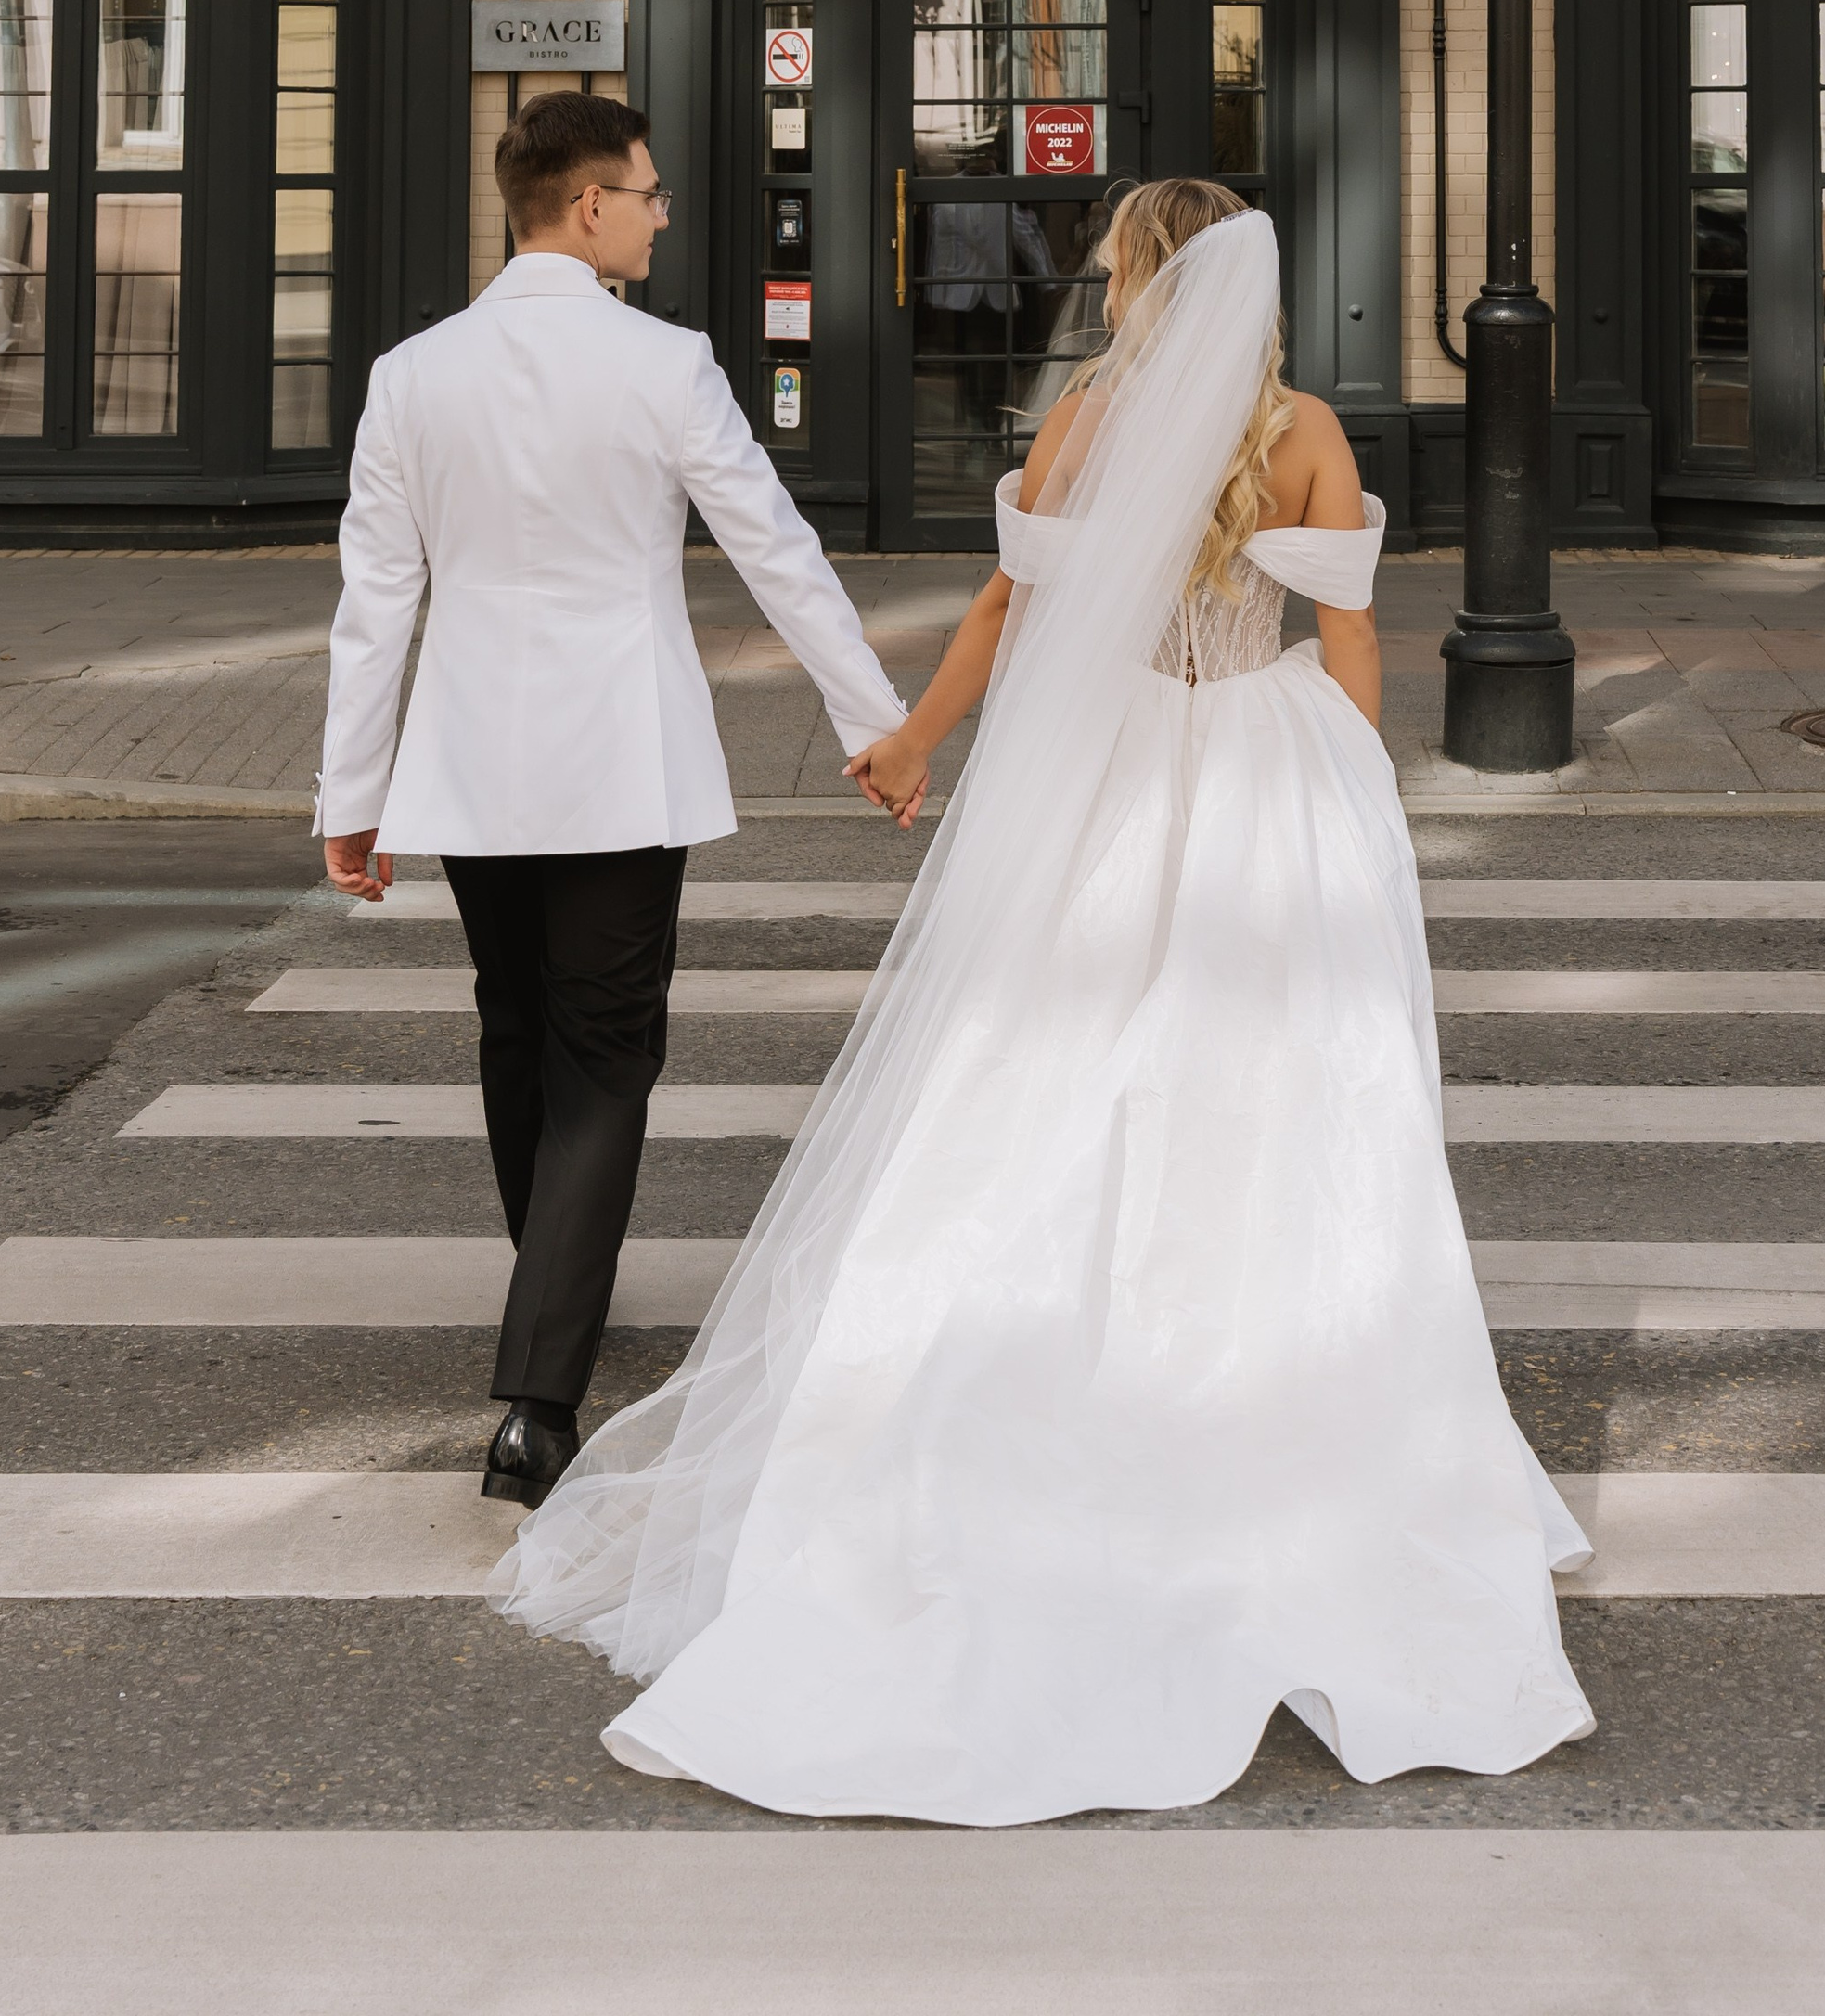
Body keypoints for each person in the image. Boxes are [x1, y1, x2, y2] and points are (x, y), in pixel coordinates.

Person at [493, 178, 1594, 1822]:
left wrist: (911, 741)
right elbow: (1352, 632)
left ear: (1140, 282)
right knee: (1288, 1092)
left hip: (1114, 771)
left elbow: (1011, 609)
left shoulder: (1083, 421)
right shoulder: (1306, 432)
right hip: (1263, 764)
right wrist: (1358, 784)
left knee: (1046, 1070)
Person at [314, 90, 909, 1515]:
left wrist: (351, 793)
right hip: (620, 765)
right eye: (646, 193)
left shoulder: (411, 374)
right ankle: (538, 1400)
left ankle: (552, 1282)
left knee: (517, 1030)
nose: (658, 214)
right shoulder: (665, 363)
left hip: (469, 763)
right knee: (603, 1057)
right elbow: (774, 546)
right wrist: (873, 721)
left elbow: (376, 600)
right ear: (588, 206)